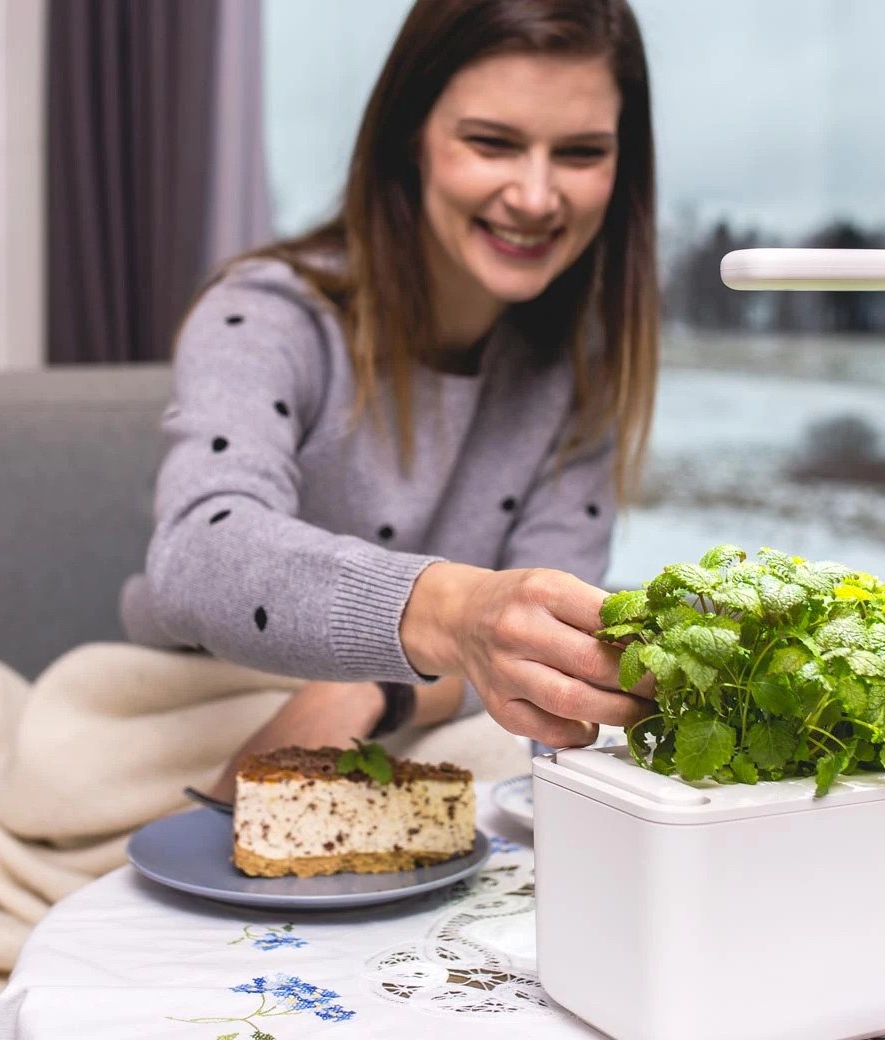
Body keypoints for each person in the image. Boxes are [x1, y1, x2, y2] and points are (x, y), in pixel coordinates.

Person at [119, 0, 660, 800]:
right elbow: (198, 552)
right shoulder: (268, 315)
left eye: (581, 153)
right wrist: (454, 610)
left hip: (421, 715)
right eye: (491, 143)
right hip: (194, 715)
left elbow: (541, 655)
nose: (536, 196)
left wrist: (374, 690)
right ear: (411, 135)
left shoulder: (575, 373)